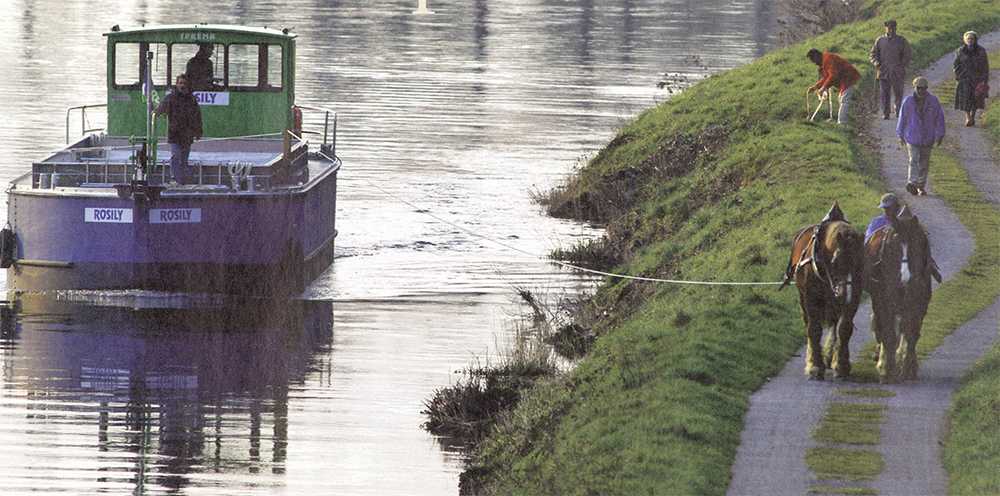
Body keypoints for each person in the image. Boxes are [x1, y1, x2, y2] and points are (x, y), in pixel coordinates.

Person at [896, 76, 945, 196]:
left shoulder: (933, 101)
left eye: (923, 88)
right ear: (914, 88)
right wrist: (900, 134)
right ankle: (912, 182)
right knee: (913, 160)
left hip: (927, 137)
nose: (921, 91)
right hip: (912, 136)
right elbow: (902, 118)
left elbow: (940, 118)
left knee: (924, 163)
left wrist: (940, 134)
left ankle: (921, 185)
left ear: (927, 88)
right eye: (918, 88)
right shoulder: (908, 101)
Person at [154, 74, 203, 185]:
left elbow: (197, 116)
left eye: (184, 83)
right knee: (176, 156)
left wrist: (198, 131)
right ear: (176, 84)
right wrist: (156, 112)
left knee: (184, 158)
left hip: (187, 133)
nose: (182, 85)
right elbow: (162, 106)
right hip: (174, 133)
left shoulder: (191, 99)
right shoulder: (170, 97)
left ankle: (184, 177)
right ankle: (175, 178)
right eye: (180, 83)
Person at [807, 48, 862, 125]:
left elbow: (833, 75)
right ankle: (841, 121)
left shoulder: (828, 59)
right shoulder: (823, 61)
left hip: (847, 77)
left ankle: (841, 123)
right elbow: (827, 76)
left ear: (816, 56)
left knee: (844, 101)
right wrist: (816, 87)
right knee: (841, 99)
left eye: (812, 60)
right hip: (843, 78)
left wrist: (823, 88)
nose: (813, 62)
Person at [870, 20, 912, 120]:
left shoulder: (902, 40)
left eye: (893, 28)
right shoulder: (879, 41)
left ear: (896, 28)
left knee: (898, 92)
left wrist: (901, 64)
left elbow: (907, 55)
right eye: (889, 28)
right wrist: (876, 62)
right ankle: (886, 112)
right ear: (885, 29)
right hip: (883, 71)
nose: (891, 30)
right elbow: (873, 54)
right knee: (884, 93)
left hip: (897, 72)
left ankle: (898, 110)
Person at [953, 31, 990, 126]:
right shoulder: (961, 51)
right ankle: (967, 117)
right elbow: (956, 65)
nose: (970, 41)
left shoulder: (981, 51)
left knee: (975, 99)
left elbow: (985, 66)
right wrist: (958, 77)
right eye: (968, 39)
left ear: (975, 40)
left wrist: (984, 80)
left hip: (976, 79)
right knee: (965, 99)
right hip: (964, 79)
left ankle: (972, 116)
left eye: (972, 39)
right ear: (965, 40)